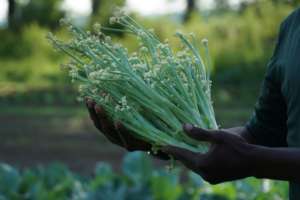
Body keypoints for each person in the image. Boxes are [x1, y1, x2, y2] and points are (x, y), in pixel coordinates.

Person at [86, 8, 300, 200]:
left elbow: (253, 153)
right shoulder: (292, 26)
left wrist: (253, 161)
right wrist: (163, 138)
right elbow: (262, 134)